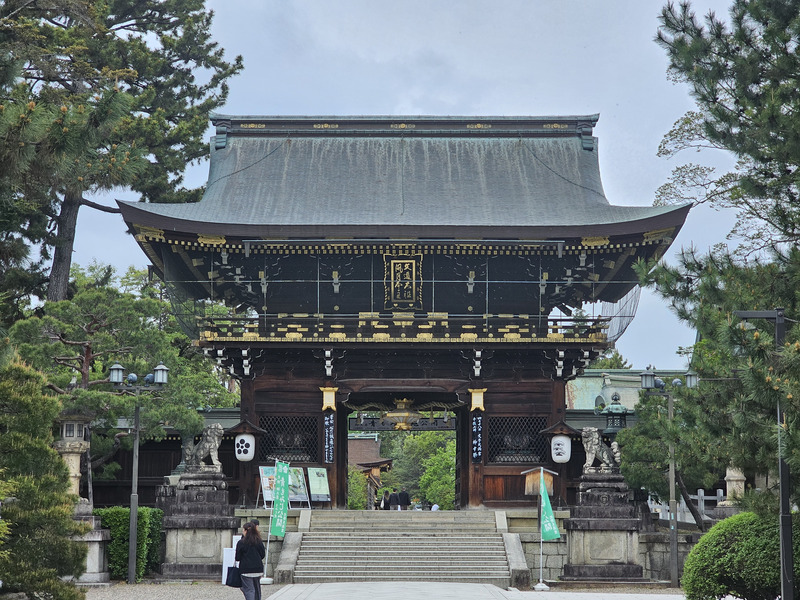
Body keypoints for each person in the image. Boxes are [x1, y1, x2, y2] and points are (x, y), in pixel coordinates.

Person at [235, 521, 265, 600]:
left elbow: (237, 557)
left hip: (246, 569)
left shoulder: (241, 542)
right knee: (257, 589)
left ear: (245, 531)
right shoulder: (258, 541)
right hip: (258, 568)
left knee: (249, 590)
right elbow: (262, 554)